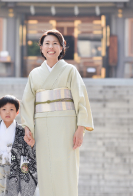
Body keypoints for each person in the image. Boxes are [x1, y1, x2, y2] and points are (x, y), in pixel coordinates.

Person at [21, 29, 94, 196]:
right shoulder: (34, 74)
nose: (50, 47)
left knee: (66, 169)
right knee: (46, 170)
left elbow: (81, 99)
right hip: (42, 127)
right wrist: (27, 128)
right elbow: (27, 103)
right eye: (47, 43)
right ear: (41, 48)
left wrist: (80, 129)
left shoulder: (70, 71)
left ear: (62, 47)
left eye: (55, 43)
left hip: (66, 125)